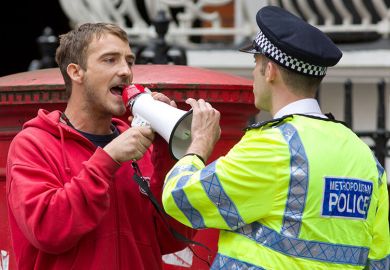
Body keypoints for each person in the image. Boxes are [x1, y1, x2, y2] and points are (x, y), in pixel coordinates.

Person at [162, 5, 390, 270]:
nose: (253, 74)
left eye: (255, 64)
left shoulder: (273, 146)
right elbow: (379, 259)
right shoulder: (363, 156)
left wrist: (199, 143)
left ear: (269, 70)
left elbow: (181, 198)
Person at [6, 22, 195, 269]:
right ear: (76, 72)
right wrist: (108, 160)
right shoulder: (33, 144)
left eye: (129, 61)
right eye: (110, 60)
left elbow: (171, 239)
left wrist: (165, 154)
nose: (126, 71)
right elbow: (48, 230)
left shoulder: (139, 145)